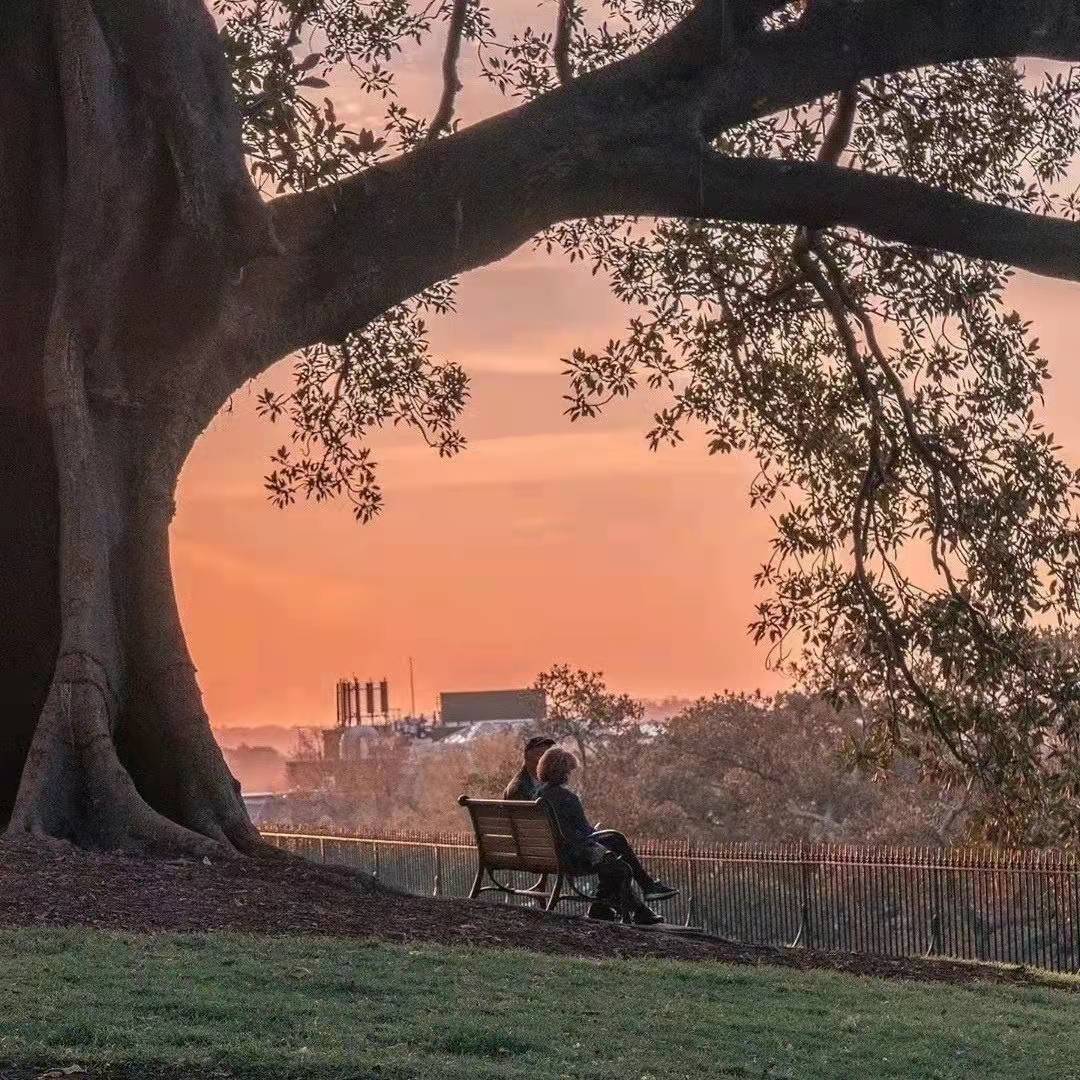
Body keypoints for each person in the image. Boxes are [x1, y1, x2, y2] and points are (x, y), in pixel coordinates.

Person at [535, 746, 678, 925]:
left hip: (551, 854)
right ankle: (644, 893)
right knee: (618, 855)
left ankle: (609, 908)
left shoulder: (539, 795)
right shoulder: (567, 798)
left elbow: (566, 830)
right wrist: (596, 833)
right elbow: (584, 832)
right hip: (571, 857)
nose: (570, 775)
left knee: (613, 857)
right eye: (570, 771)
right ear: (563, 772)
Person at [503, 735, 556, 800]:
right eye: (541, 755)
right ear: (526, 756)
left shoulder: (554, 782)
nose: (547, 761)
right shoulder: (518, 788)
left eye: (549, 756)